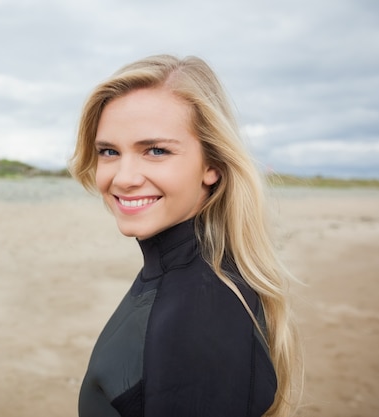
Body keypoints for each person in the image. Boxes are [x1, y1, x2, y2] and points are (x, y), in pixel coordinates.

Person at [69, 55, 301, 417]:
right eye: (109, 151)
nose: (124, 177)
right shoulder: (195, 274)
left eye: (156, 150)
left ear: (212, 165)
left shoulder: (198, 318)